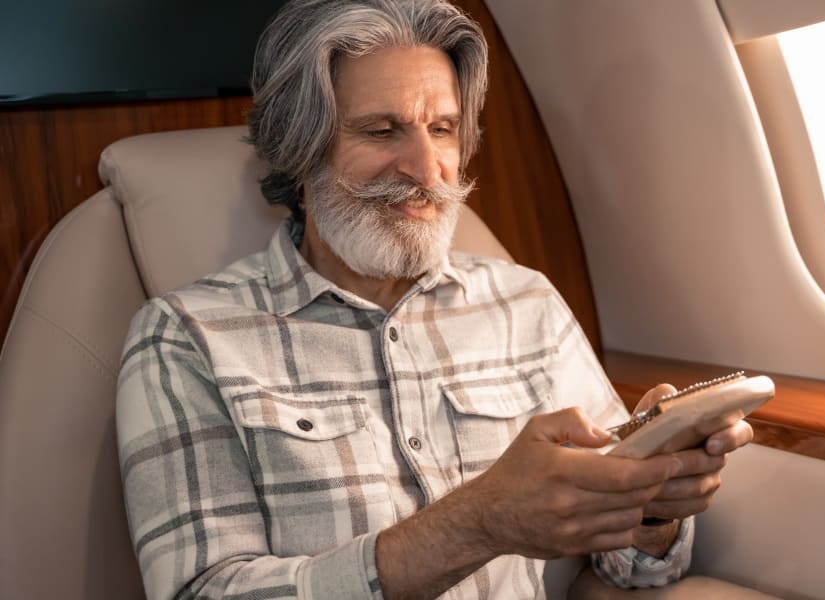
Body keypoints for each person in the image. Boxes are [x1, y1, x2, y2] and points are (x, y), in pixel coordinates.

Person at [115, 1, 754, 598]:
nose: (427, 169)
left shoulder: (524, 302)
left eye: (442, 128)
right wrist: (477, 524)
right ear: (299, 149)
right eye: (382, 130)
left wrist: (651, 507)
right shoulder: (187, 337)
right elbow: (204, 590)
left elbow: (635, 569)